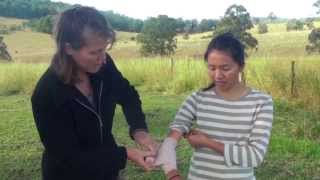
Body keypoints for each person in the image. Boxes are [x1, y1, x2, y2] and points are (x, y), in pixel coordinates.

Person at [31, 6, 158, 180]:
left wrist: (139, 130)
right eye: (94, 52)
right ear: (68, 48)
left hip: (106, 171)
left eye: (104, 49)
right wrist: (125, 154)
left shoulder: (103, 66)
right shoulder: (47, 93)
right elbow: (68, 157)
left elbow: (128, 95)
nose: (102, 57)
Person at [155, 33, 274, 180]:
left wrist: (207, 142)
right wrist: (172, 174)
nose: (217, 75)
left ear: (241, 66)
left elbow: (255, 157)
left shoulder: (261, 102)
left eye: (225, 68)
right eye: (212, 68)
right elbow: (170, 141)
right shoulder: (198, 99)